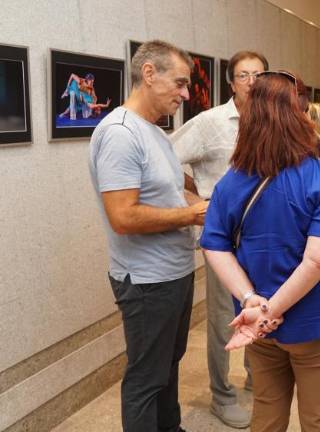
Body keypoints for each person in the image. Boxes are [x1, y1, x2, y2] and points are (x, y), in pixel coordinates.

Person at [200, 70, 320, 432]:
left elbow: (214, 245)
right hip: (315, 321)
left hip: (257, 324)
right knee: (319, 420)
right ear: (299, 114)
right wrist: (271, 311)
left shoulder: (232, 181)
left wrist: (252, 301)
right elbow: (318, 259)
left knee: (267, 414)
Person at [88, 40, 207, 432]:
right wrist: (193, 214)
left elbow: (172, 191)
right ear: (149, 74)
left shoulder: (154, 131)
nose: (186, 95)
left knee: (168, 365)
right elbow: (123, 216)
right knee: (146, 378)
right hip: (146, 281)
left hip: (174, 273)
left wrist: (207, 205)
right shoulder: (120, 133)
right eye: (180, 83)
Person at [170, 49, 269, 429]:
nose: (252, 82)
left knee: (259, 306)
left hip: (262, 234)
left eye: (258, 75)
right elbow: (165, 159)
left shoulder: (269, 121)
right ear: (231, 83)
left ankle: (255, 375)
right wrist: (197, 198)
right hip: (223, 239)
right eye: (244, 75)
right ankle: (221, 394)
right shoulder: (210, 123)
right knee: (223, 318)